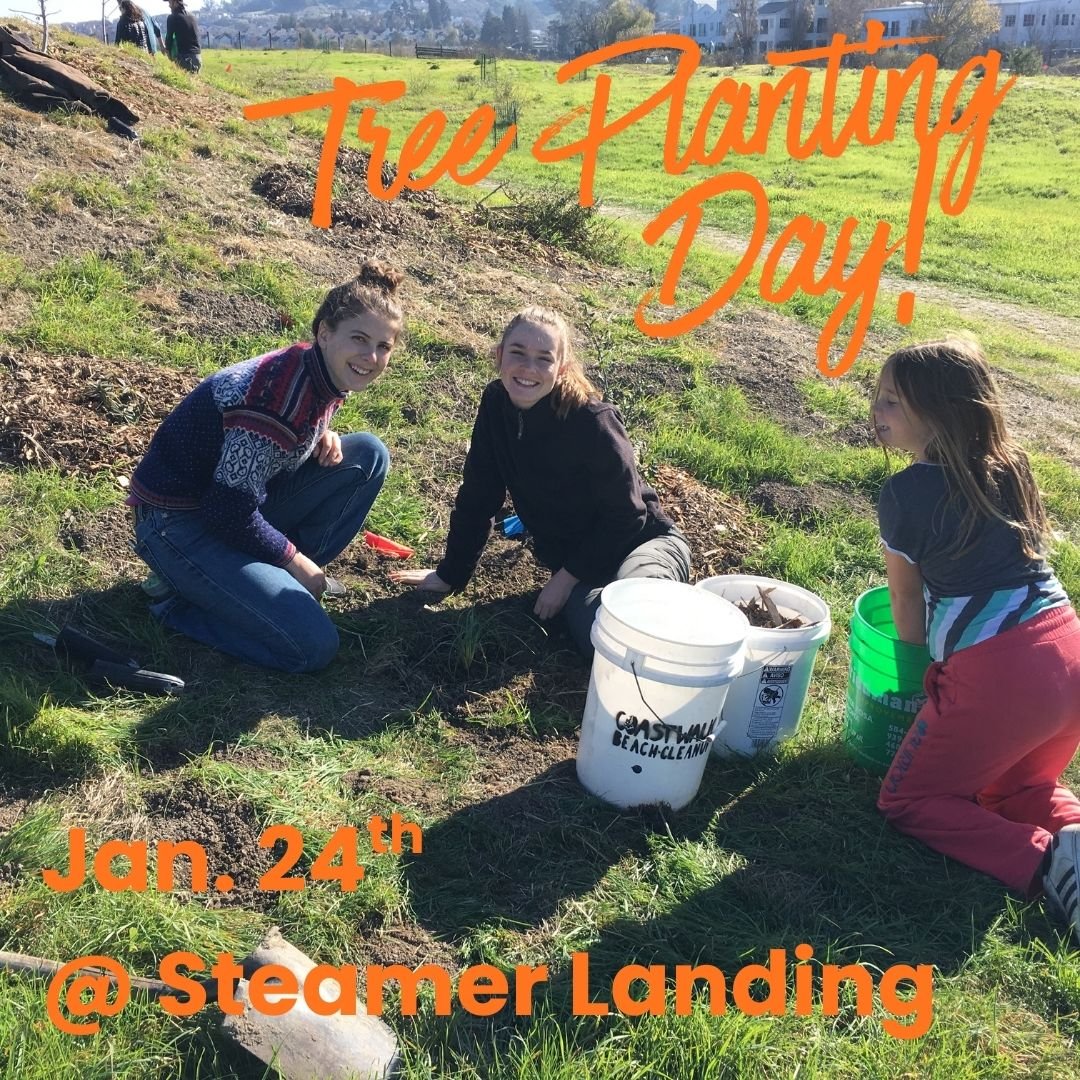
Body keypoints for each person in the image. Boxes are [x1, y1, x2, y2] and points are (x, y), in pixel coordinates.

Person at [872, 339, 1080, 936]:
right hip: (1065, 650)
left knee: (909, 801)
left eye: (890, 402)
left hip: (1002, 673)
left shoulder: (905, 495)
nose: (876, 412)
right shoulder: (1011, 467)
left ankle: (1044, 862)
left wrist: (916, 682)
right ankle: (1072, 839)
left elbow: (906, 600)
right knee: (1020, 785)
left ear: (938, 414)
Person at [128, 264, 403, 673]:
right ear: (325, 332)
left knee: (367, 453)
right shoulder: (275, 401)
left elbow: (263, 453)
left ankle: (253, 588)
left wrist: (319, 434)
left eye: (384, 346)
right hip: (176, 523)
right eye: (359, 339)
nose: (371, 357)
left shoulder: (317, 370)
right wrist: (293, 557)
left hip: (222, 503)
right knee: (313, 647)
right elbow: (227, 509)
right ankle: (179, 605)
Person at [391, 306, 691, 657]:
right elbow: (478, 495)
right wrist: (450, 574)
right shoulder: (495, 404)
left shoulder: (593, 422)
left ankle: (709, 639)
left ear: (561, 367)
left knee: (638, 619)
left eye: (543, 359)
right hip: (584, 566)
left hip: (643, 544)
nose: (528, 369)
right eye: (517, 353)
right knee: (603, 639)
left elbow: (627, 515)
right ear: (499, 354)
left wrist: (564, 579)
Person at [165, 0, 202, 73]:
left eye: (170, 2)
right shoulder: (192, 17)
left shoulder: (172, 17)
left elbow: (169, 38)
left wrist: (168, 52)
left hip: (185, 59)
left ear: (175, 2)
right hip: (198, 58)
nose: (169, 5)